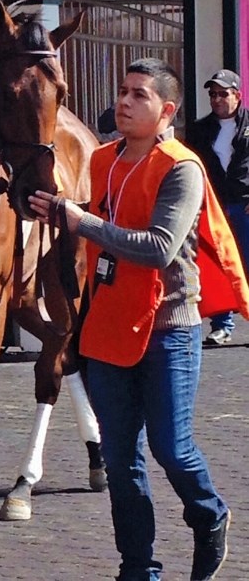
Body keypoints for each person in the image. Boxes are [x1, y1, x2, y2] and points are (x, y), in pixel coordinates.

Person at [28, 58, 249, 580]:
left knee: (171, 449)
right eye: (123, 92)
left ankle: (210, 514)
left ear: (166, 110)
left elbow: (156, 248)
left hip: (169, 328)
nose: (124, 103)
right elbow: (106, 214)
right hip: (108, 325)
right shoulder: (103, 159)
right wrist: (58, 209)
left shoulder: (182, 168)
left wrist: (81, 220)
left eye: (139, 96)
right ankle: (137, 569)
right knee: (121, 462)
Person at [188, 69, 249, 345]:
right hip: (215, 207)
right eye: (212, 94)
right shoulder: (200, 129)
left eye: (223, 94)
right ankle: (222, 324)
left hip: (244, 205)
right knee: (218, 263)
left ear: (237, 95)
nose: (216, 99)